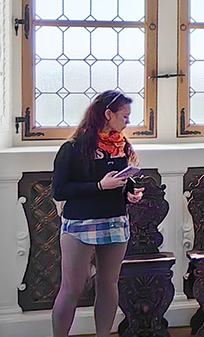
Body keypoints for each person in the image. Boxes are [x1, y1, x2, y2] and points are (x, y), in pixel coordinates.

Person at [52, 90, 145, 337]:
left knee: (108, 285)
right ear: (108, 114)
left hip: (115, 221)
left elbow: (121, 181)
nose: (128, 122)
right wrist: (99, 186)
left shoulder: (122, 146)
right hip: (80, 224)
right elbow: (60, 191)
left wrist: (130, 192)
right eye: (124, 116)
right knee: (72, 288)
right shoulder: (72, 148)